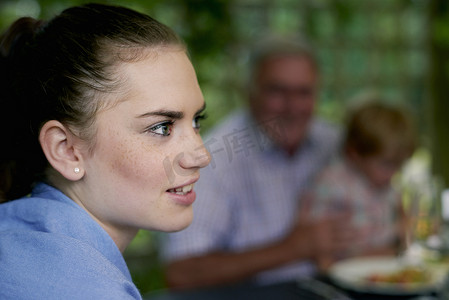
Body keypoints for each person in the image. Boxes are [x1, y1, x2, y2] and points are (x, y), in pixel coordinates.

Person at [0, 3, 210, 299]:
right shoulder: (88, 290)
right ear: (66, 150)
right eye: (162, 127)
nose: (202, 156)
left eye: (196, 121)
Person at [161, 36, 356, 290]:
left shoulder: (334, 143)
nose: (292, 107)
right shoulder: (214, 159)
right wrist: (293, 248)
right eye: (277, 91)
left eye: (304, 92)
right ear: (249, 93)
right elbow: (182, 272)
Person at [300, 98, 416, 271]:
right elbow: (310, 232)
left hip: (387, 268)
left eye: (399, 165)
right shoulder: (331, 183)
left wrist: (405, 230)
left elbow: (401, 217)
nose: (393, 173)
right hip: (346, 271)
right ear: (355, 153)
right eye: (386, 164)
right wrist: (327, 267)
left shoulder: (385, 184)